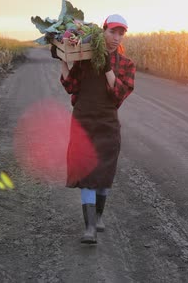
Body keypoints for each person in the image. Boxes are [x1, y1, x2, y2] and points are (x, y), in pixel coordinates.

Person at [51, 14, 136, 244]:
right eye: (112, 32)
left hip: (107, 124)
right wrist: (62, 59)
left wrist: (107, 67)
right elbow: (70, 87)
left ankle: (98, 217)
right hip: (83, 122)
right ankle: (89, 228)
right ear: (102, 32)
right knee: (86, 173)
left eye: (121, 34)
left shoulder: (126, 65)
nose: (116, 38)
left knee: (104, 174)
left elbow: (119, 94)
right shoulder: (85, 59)